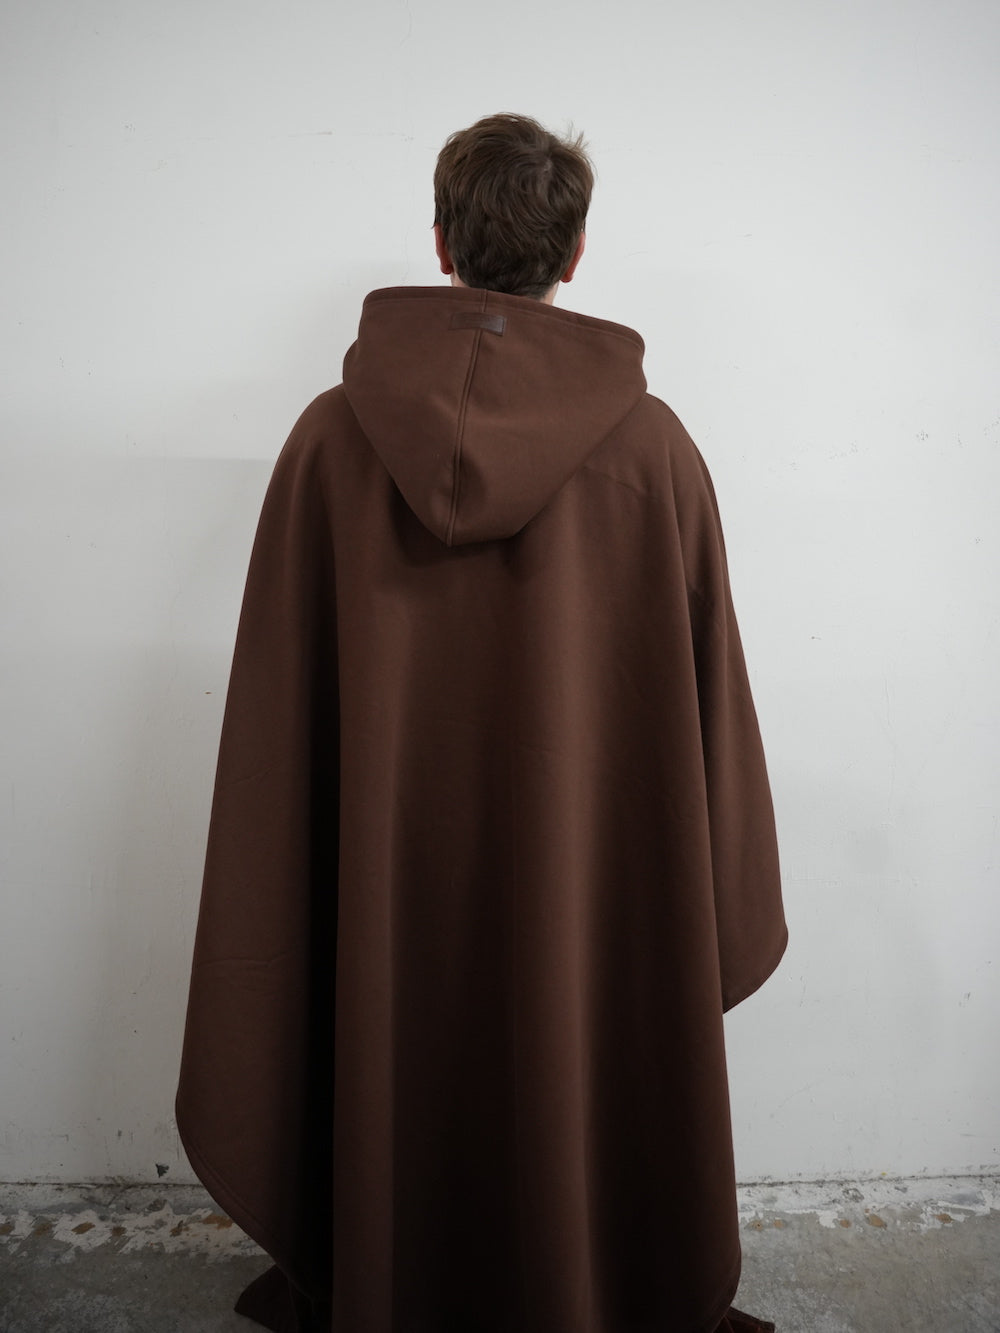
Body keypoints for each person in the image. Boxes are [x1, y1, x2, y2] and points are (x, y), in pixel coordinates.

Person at [176, 112, 787, 1333]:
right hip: (580, 893)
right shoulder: (653, 455)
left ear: (441, 244)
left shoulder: (328, 442)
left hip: (387, 895)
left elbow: (280, 739)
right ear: (575, 253)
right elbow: (702, 716)